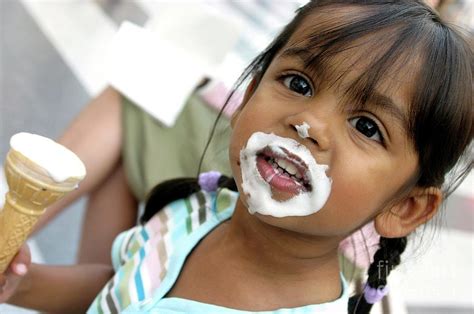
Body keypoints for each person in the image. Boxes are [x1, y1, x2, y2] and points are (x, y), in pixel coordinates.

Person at [1, 0, 472, 313]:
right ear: (244, 98)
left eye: (367, 127)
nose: (309, 124)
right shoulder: (197, 212)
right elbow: (123, 287)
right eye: (298, 83)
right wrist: (25, 285)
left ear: (404, 207)